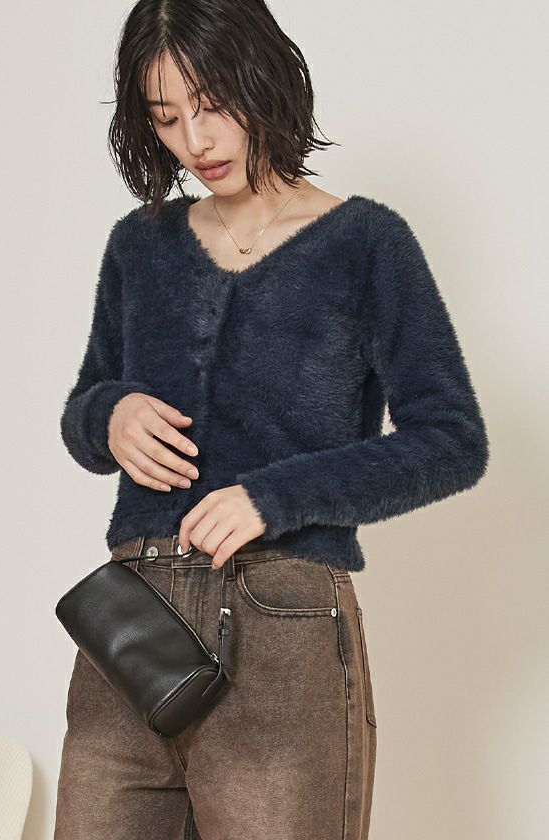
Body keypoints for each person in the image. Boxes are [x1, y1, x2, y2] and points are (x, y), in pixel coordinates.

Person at [53, 1, 490, 838]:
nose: (195, 141)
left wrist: (273, 498)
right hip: (131, 631)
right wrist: (108, 414)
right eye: (166, 117)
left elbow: (451, 441)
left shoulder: (366, 244)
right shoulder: (139, 246)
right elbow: (84, 413)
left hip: (282, 636)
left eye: (213, 105)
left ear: (264, 79)